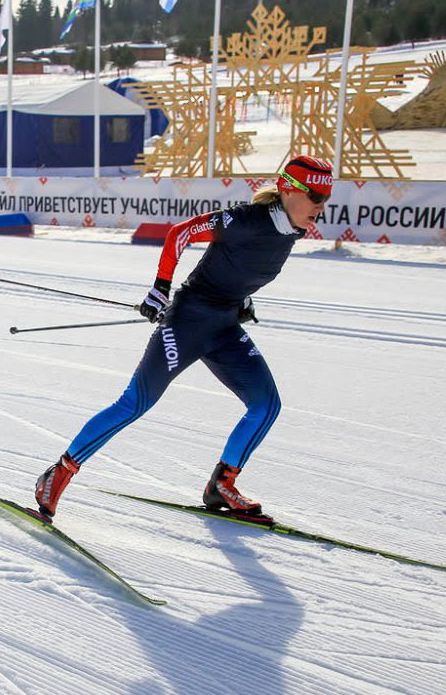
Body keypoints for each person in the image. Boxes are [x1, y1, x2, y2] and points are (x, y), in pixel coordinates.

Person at [34, 155, 335, 521]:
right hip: (186, 324)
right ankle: (58, 475)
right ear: (290, 190)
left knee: (266, 405)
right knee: (135, 403)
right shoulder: (244, 220)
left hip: (224, 328)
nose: (321, 207)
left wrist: (243, 299)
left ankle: (222, 484)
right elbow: (181, 233)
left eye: (326, 198)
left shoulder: (292, 229)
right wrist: (160, 289)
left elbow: (240, 266)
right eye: (316, 196)